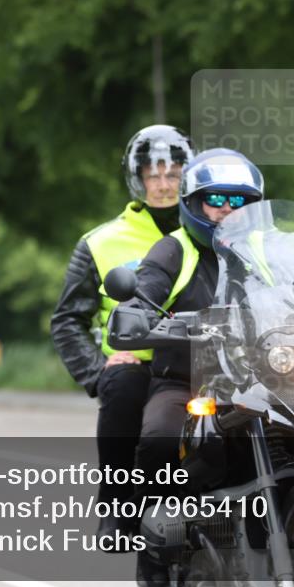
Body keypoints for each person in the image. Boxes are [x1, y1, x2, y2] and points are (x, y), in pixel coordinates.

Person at [124, 148, 265, 587]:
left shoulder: (264, 251)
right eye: (216, 199)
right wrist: (137, 316)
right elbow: (143, 292)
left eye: (238, 201)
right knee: (160, 436)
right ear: (193, 202)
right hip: (186, 381)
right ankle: (154, 551)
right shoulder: (174, 250)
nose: (227, 209)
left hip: (258, 381)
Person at [50, 125, 194, 542]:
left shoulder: (218, 228)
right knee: (123, 382)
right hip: (142, 366)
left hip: (209, 360)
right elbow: (67, 320)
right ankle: (120, 505)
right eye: (155, 175)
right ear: (139, 179)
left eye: (174, 174)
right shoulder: (100, 242)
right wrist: (96, 369)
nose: (165, 184)